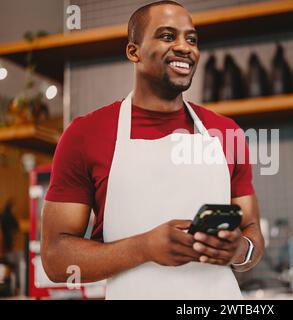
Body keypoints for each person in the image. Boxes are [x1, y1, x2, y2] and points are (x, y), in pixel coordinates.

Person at [41, 0, 264, 299]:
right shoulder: (85, 134)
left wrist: (239, 250)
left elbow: (252, 234)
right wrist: (144, 247)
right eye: (168, 36)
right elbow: (55, 258)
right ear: (133, 51)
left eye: (192, 39)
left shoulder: (226, 133)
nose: (185, 47)